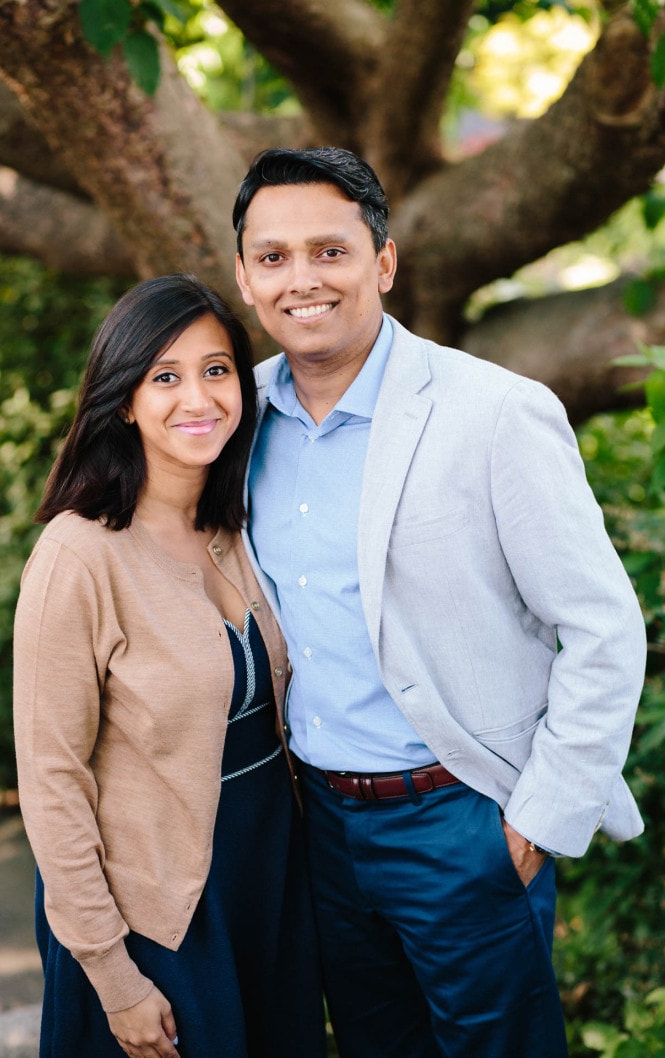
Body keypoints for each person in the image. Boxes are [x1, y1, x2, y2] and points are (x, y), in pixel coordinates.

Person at [231, 147, 648, 1058]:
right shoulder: (235, 419)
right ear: (244, 275)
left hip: (460, 822)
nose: (301, 279)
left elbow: (603, 627)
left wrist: (535, 819)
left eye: (328, 251)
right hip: (317, 830)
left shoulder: (493, 412)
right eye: (272, 257)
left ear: (382, 261)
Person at [12, 274, 326, 1058]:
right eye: (165, 376)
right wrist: (113, 977)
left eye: (217, 370)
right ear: (124, 398)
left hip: (267, 885)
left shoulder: (234, 524)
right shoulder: (78, 556)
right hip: (157, 916)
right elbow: (52, 782)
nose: (199, 397)